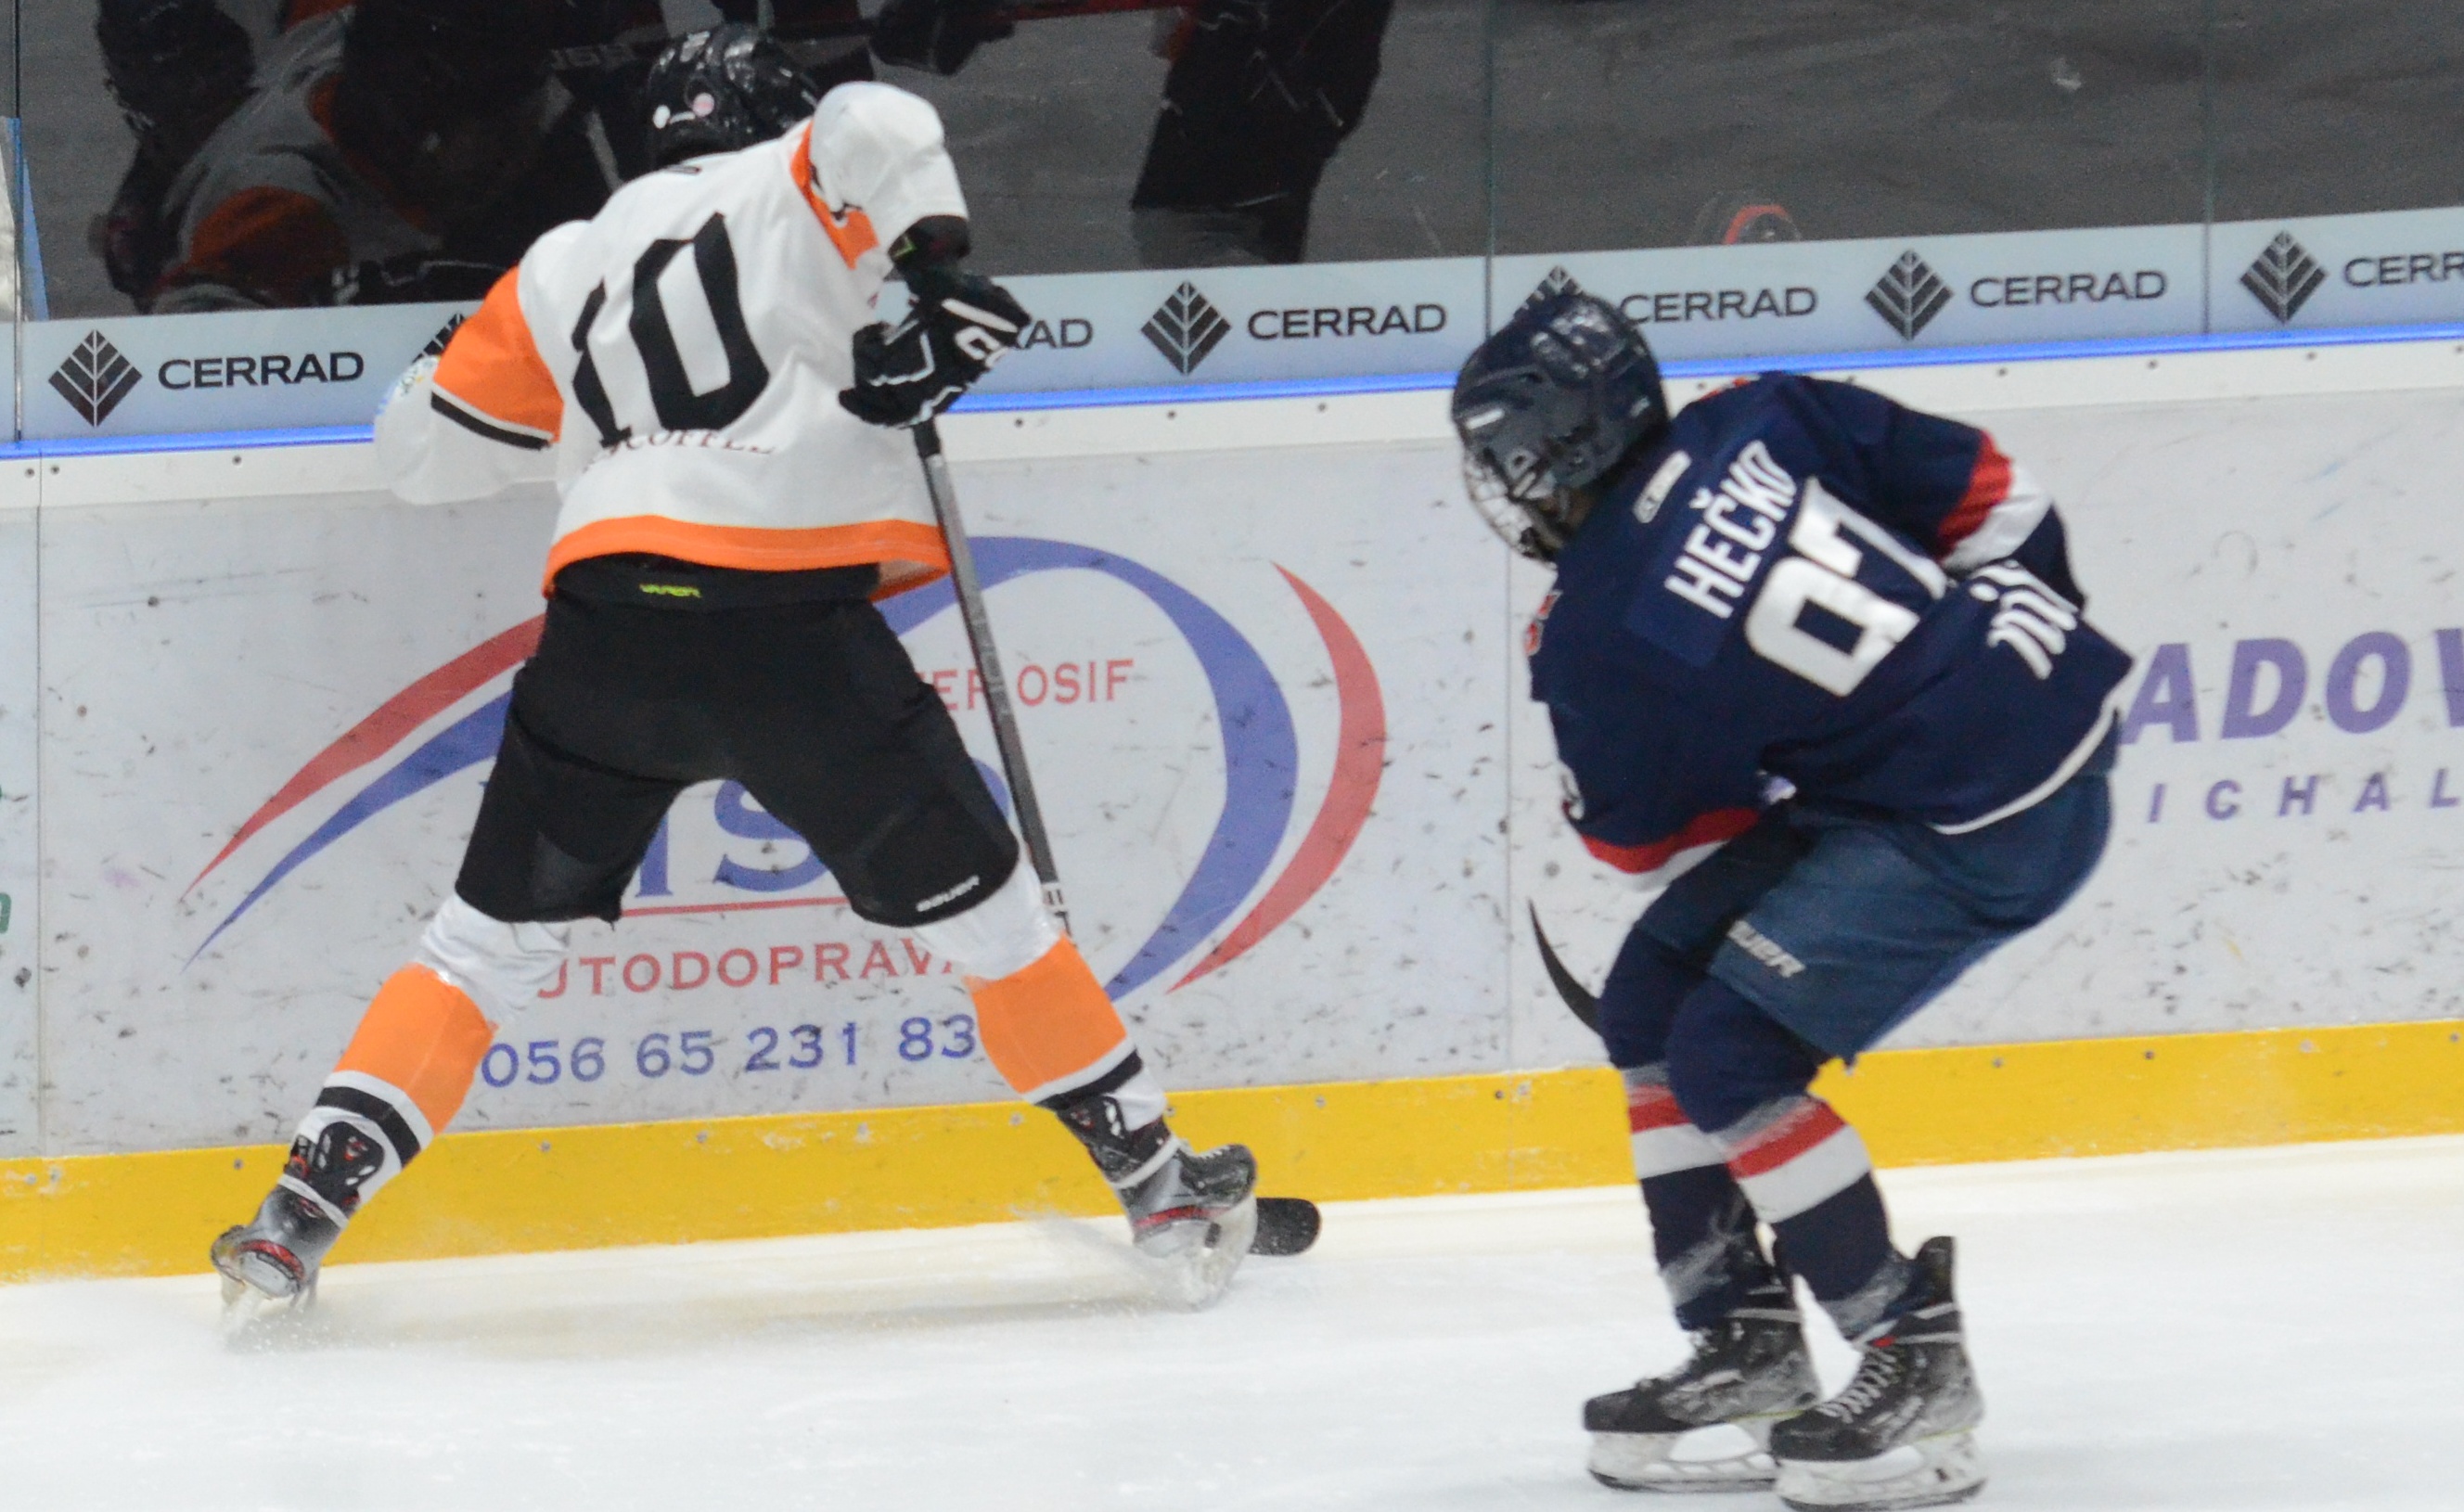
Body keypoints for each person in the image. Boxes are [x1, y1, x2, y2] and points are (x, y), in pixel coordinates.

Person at [211, 78, 1260, 1317]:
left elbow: (417, 454)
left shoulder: (566, 261)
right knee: (999, 929)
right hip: (788, 636)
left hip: (607, 633)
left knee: (479, 951)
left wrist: (498, 381)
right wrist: (934, 273)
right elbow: (878, 117)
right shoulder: (794, 175)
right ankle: (1159, 1183)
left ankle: (296, 1218)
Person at [1452, 276, 2127, 1511]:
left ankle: (1908, 1347)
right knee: (1649, 999)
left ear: (1561, 450)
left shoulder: (1597, 630)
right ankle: (1743, 1336)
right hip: (1980, 760)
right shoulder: (1761, 415)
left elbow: (1648, 845)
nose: (1509, 489)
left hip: (1981, 824)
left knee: (1725, 1055)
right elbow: (1998, 495)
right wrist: (2009, 651)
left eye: (1509, 461)